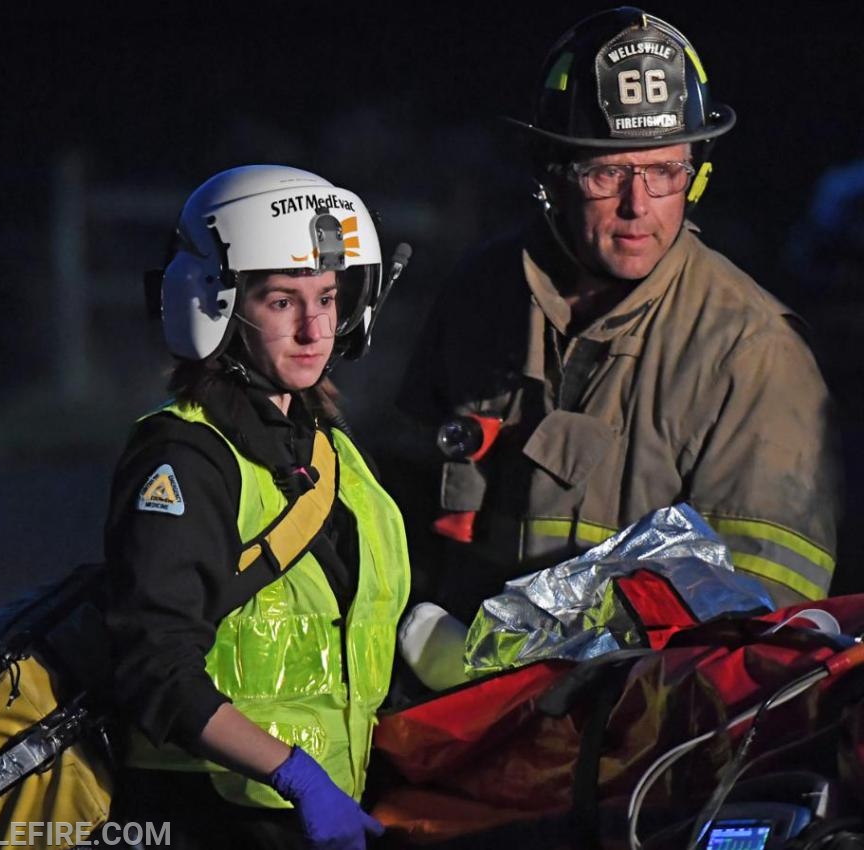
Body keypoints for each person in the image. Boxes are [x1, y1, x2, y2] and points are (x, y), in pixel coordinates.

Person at [397, 7, 842, 626]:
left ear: (697, 174)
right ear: (553, 173)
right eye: (607, 171)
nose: (639, 206)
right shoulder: (480, 298)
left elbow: (765, 607)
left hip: (642, 714)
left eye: (664, 172)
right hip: (457, 706)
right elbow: (397, 518)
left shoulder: (752, 350)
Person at [103, 164, 411, 849]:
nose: (313, 329)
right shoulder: (182, 459)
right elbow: (156, 668)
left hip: (317, 813)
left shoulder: (331, 449)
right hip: (214, 816)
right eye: (280, 301)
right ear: (212, 304)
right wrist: (296, 775)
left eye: (328, 297)